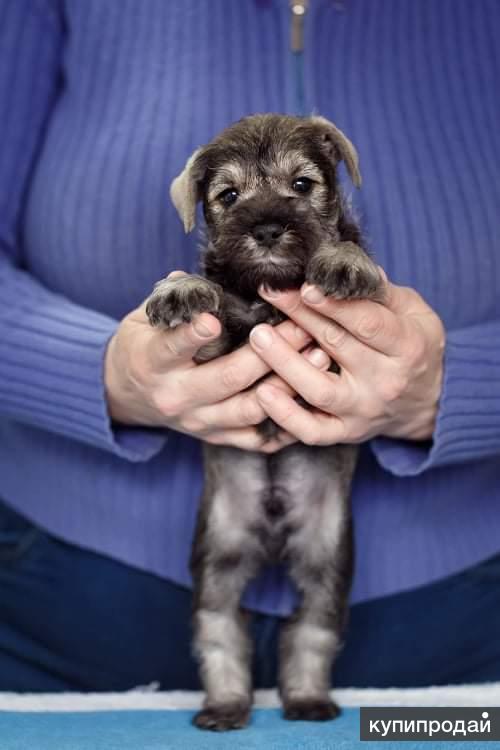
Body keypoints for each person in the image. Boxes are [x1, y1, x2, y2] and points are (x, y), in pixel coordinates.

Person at [0, 0, 499, 692]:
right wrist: (98, 374)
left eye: (301, 186)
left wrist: (462, 388)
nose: (267, 218)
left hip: (461, 603)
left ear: (335, 173)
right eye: (231, 198)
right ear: (199, 205)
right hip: (71, 589)